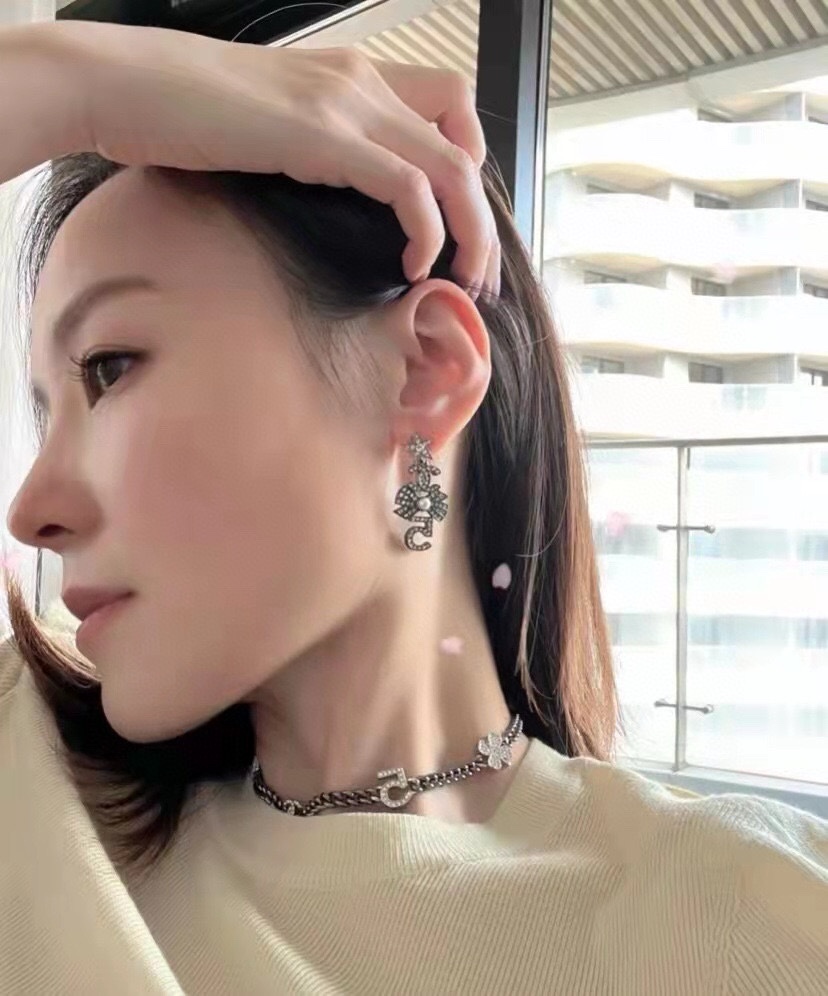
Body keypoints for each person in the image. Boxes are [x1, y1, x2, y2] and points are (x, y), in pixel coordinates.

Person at [0, 18, 825, 996]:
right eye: (46, 414)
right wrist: (78, 83)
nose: (32, 507)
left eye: (108, 367)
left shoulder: (748, 914)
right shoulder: (31, 776)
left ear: (426, 371)